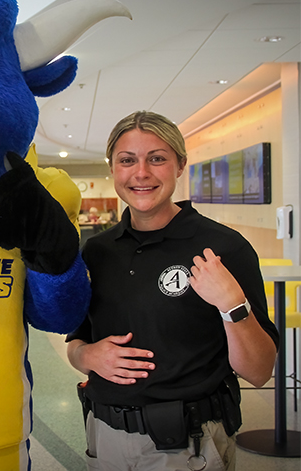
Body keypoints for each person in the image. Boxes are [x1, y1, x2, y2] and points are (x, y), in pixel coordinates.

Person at [66, 111, 278, 471]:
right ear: (113, 169)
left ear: (180, 165)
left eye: (157, 158)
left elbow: (259, 371)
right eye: (127, 160)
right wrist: (88, 358)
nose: (141, 173)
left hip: (187, 445)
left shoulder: (223, 247)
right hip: (103, 436)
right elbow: (76, 343)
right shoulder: (96, 251)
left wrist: (232, 304)